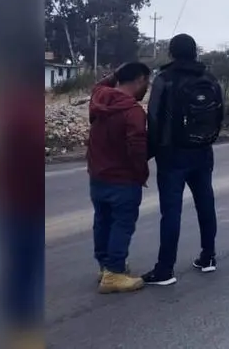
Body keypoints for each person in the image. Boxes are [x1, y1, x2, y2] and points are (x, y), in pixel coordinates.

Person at [143, 34, 224, 286]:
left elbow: (154, 119)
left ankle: (165, 269)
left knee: (171, 211)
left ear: (172, 52)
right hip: (202, 150)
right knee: (206, 203)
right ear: (195, 52)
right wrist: (207, 138)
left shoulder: (164, 79)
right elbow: (219, 113)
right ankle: (208, 257)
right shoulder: (209, 79)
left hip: (172, 153)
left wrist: (150, 152)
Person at [87, 62, 152, 293]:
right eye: (147, 82)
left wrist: (117, 73)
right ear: (140, 79)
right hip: (123, 178)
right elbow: (136, 147)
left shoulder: (99, 98)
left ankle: (105, 267)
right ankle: (114, 273)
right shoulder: (133, 112)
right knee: (122, 224)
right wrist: (140, 173)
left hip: (97, 175)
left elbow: (99, 85)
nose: (147, 87)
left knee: (102, 221)